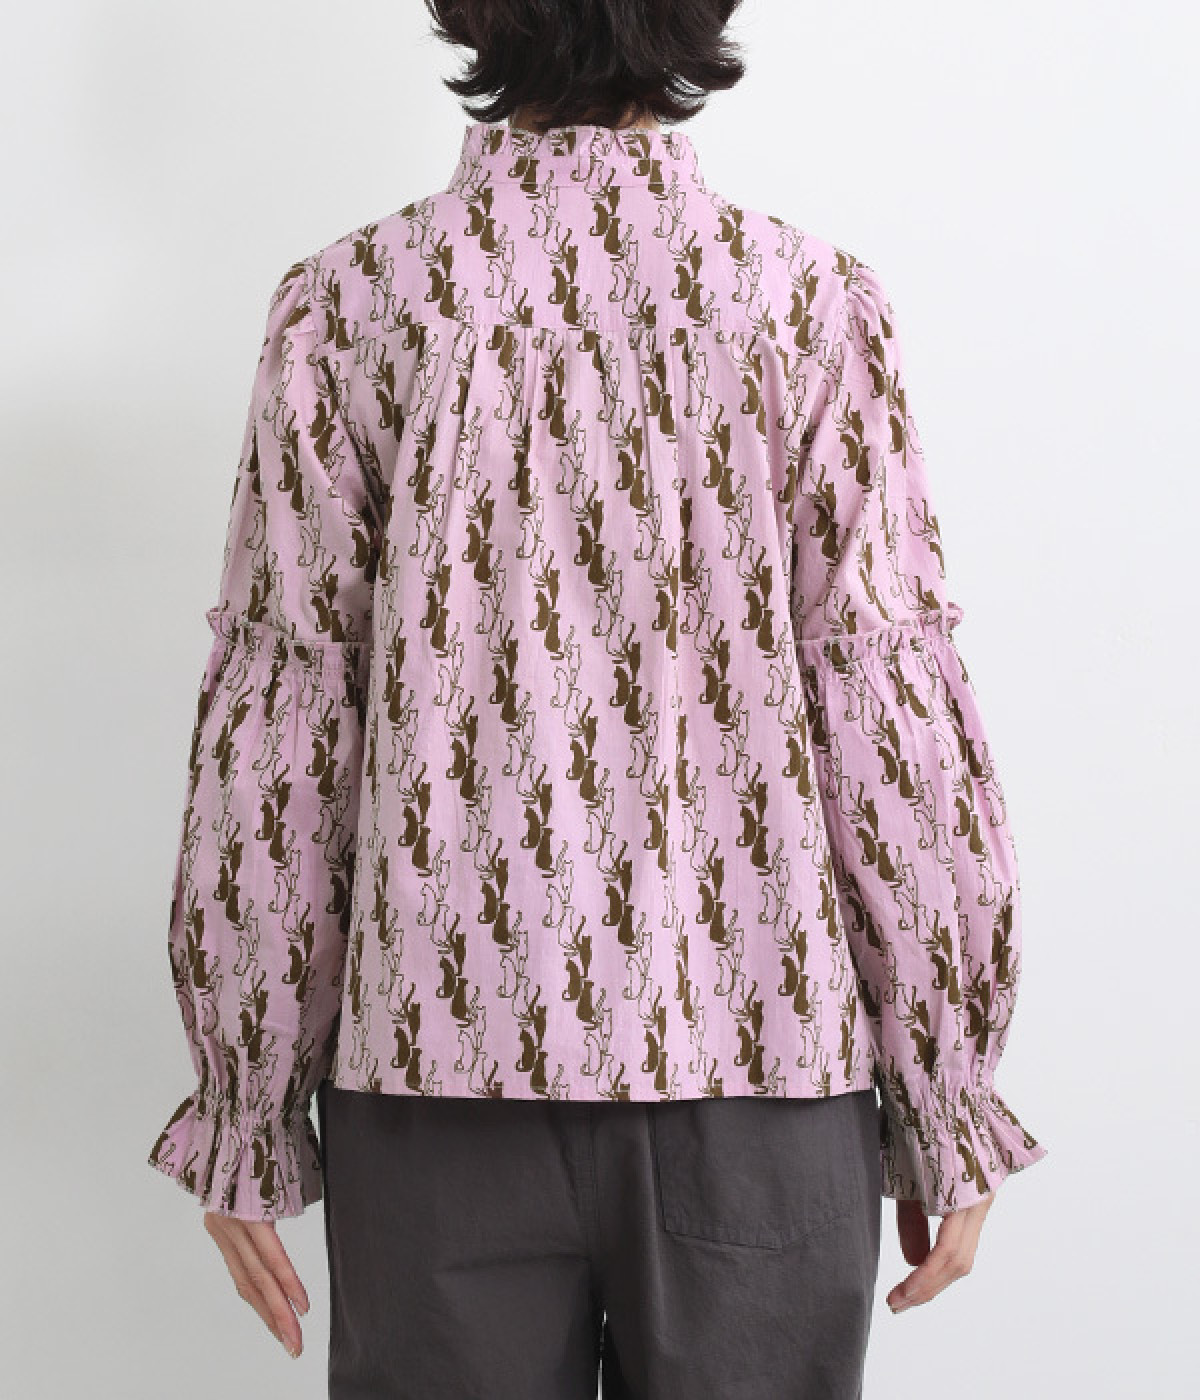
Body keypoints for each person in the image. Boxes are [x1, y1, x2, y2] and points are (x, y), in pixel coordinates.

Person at [146, 1, 1047, 1393]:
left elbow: (289, 730)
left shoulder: (353, 303)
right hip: (762, 1070)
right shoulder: (807, 303)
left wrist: (246, 1099)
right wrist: (946, 1088)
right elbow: (887, 716)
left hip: (436, 1083)